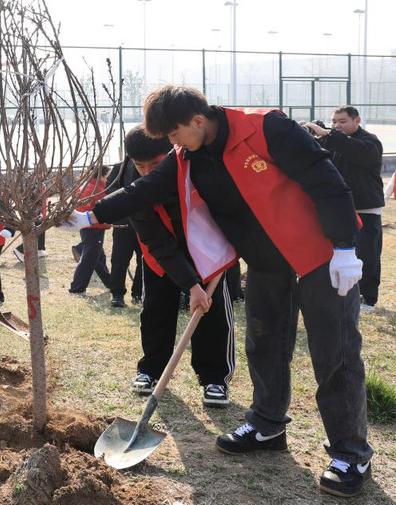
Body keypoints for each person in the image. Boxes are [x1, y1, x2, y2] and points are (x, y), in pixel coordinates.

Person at [62, 86, 372, 498]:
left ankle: (351, 453)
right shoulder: (188, 156)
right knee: (264, 343)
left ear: (197, 121)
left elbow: (325, 178)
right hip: (265, 262)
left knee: (334, 351)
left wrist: (345, 247)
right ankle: (267, 425)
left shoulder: (266, 128)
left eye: (173, 135)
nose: (172, 145)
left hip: (320, 255)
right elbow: (147, 189)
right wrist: (89, 215)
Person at [120, 125, 235, 406]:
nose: (147, 173)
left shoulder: (197, 169)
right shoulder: (132, 185)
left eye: (155, 165)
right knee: (155, 311)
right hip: (160, 254)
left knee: (212, 311)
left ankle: (214, 379)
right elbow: (157, 241)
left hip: (205, 250)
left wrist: (200, 282)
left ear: (171, 153)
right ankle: (150, 370)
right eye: (140, 166)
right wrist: (189, 284)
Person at [302, 107, 384, 311]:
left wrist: (329, 134)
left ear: (357, 120)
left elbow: (356, 151)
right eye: (334, 122)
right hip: (339, 209)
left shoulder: (370, 142)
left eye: (342, 121)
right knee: (335, 253)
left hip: (365, 208)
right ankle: (340, 292)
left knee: (367, 255)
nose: (337, 125)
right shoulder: (333, 140)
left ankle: (368, 298)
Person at [105, 159, 144, 307]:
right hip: (123, 222)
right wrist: (128, 197)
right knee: (119, 259)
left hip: (145, 222)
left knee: (144, 260)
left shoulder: (151, 164)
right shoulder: (119, 167)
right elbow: (109, 189)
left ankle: (139, 293)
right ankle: (117, 294)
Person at [69, 165, 112, 294]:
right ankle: (77, 288)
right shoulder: (98, 189)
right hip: (94, 227)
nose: (108, 179)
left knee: (97, 257)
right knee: (89, 258)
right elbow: (102, 210)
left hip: (86, 226)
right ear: (102, 175)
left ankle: (110, 283)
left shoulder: (85, 186)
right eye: (107, 176)